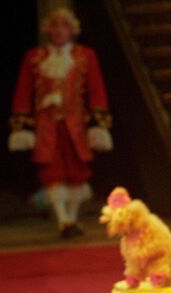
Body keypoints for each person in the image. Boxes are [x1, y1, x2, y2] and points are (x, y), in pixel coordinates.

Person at [8, 8, 113, 238]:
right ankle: (63, 220)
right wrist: (23, 124)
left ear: (72, 29)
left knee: (77, 170)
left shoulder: (85, 56)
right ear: (48, 30)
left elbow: (96, 90)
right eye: (54, 26)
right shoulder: (34, 57)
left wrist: (98, 123)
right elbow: (23, 91)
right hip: (47, 125)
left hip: (76, 125)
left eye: (63, 26)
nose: (58, 31)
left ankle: (72, 218)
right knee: (52, 171)